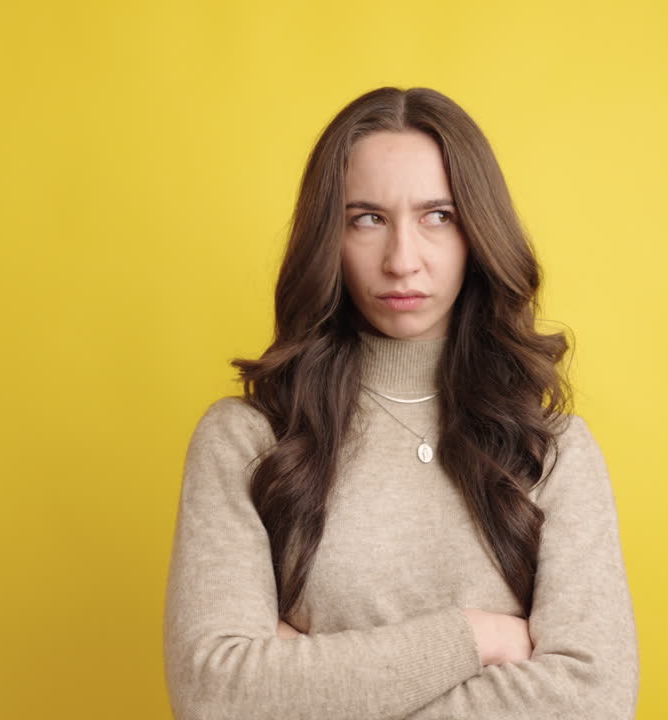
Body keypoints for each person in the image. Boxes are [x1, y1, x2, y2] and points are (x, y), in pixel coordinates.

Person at [162, 86, 639, 719]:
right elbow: (215, 696)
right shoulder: (247, 441)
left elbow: (595, 701)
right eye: (367, 218)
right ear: (327, 237)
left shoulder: (550, 446)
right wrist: (478, 638)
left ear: (477, 233)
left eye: (437, 216)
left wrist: (308, 683)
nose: (402, 260)